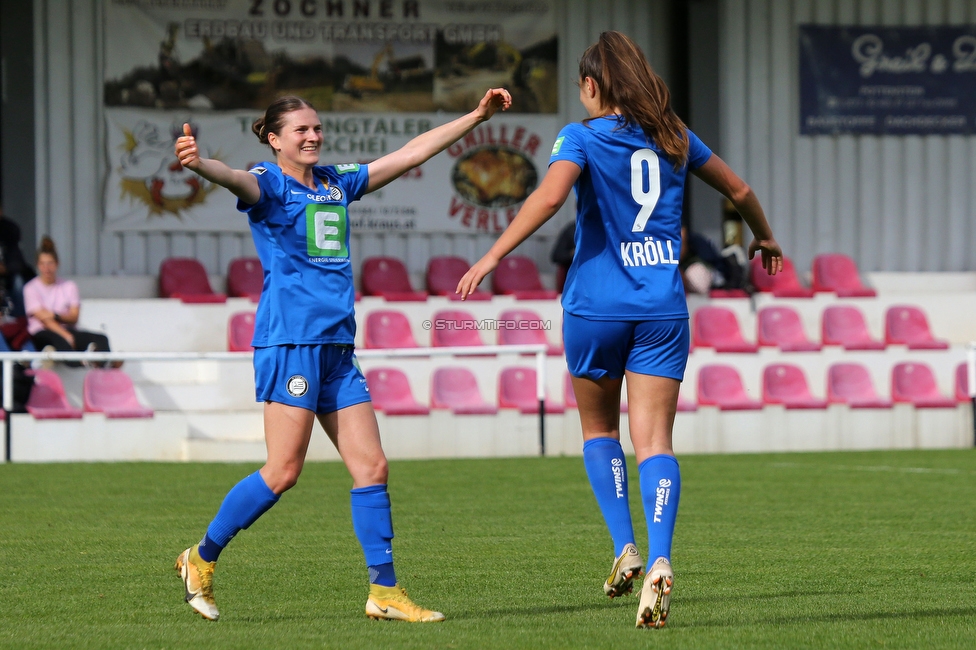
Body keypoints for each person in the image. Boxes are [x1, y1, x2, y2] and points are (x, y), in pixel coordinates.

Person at [457, 31, 782, 629]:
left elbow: (549, 199)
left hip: (596, 307)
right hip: (661, 306)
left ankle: (624, 546)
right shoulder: (673, 134)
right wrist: (762, 236)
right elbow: (739, 190)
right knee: (655, 442)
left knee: (598, 428)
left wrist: (493, 256)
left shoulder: (579, 136)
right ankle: (660, 558)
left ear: (590, 85)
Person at [172, 88, 512, 623]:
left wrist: (476, 116)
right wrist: (201, 166)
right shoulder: (268, 182)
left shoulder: (336, 182)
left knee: (372, 466)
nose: (312, 136)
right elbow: (232, 178)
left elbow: (410, 154)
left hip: (337, 347)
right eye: (300, 130)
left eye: (316, 127)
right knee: (283, 471)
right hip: (291, 344)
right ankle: (200, 558)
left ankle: (385, 592)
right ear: (274, 139)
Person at [23, 237, 113, 366]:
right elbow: (45, 320)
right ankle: (85, 362)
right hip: (42, 332)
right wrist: (65, 333)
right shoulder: (30, 288)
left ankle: (105, 363)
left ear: (57, 264)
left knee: (101, 338)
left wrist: (55, 315)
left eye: (50, 263)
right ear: (38, 265)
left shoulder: (69, 286)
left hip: (66, 329)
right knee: (60, 341)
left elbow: (74, 317)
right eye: (43, 264)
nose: (46, 268)